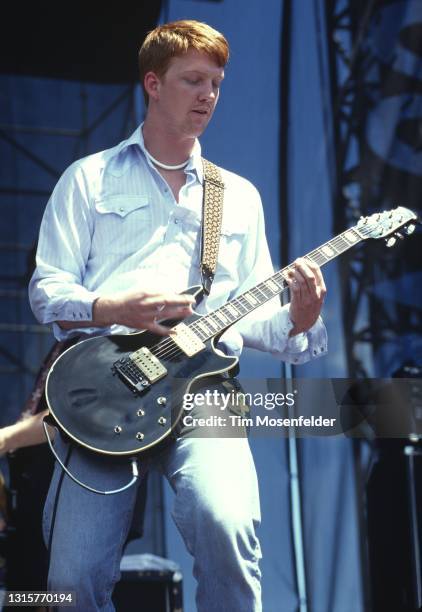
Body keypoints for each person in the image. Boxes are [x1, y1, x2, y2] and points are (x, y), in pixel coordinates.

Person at [29, 20, 327, 612]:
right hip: (103, 385)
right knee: (70, 578)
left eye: (216, 82)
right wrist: (111, 306)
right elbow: (46, 290)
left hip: (206, 389)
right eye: (193, 80)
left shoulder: (237, 195)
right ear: (152, 84)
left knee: (228, 525)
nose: (208, 95)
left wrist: (299, 317)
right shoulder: (87, 177)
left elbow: (256, 317)